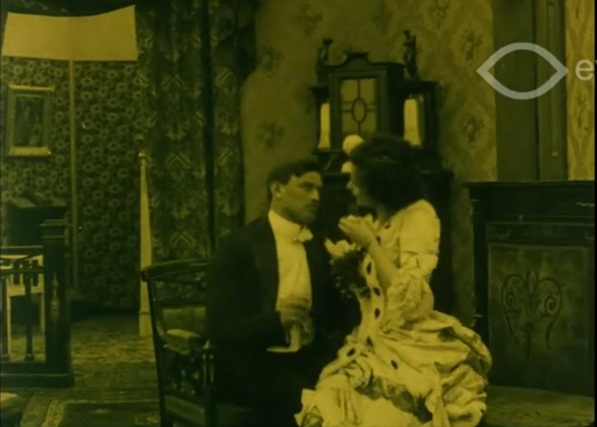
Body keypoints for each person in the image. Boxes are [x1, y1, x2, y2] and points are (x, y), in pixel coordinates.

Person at [296, 134, 492, 427]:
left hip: (409, 347)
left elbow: (413, 302)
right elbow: (374, 294)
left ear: (378, 182)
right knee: (328, 404)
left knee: (381, 416)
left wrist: (370, 245)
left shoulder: (419, 216)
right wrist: (349, 266)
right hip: (368, 345)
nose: (349, 187)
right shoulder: (377, 221)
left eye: (355, 180)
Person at [206, 157, 358, 427]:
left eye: (318, 190)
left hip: (311, 362)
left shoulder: (320, 245)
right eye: (306, 187)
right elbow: (220, 327)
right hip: (255, 367)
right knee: (318, 405)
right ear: (277, 190)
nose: (316, 197)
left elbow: (336, 315)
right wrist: (276, 322)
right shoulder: (239, 246)